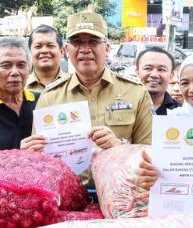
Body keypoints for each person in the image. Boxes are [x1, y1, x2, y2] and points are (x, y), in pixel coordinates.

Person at [20, 11, 153, 154]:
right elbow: (41, 157)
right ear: (66, 50)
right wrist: (30, 152)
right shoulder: (49, 97)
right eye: (77, 42)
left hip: (117, 176)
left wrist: (120, 146)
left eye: (93, 41)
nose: (84, 49)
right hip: (68, 176)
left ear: (107, 48)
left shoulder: (136, 92)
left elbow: (149, 152)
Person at [135, 46, 180, 116]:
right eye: (148, 68)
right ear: (137, 72)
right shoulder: (123, 107)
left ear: (171, 75)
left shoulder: (180, 113)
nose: (154, 75)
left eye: (161, 69)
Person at [26, 25, 68, 93]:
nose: (44, 51)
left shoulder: (75, 85)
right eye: (38, 46)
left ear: (62, 51)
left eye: (50, 45)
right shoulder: (19, 87)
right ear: (30, 52)